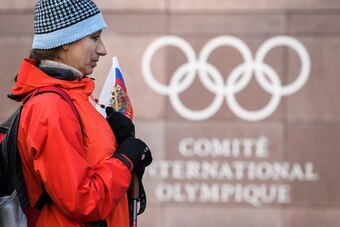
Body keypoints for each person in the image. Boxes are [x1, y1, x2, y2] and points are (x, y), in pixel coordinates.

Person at [9, 0, 152, 226]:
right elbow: (83, 201)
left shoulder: (77, 97)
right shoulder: (50, 107)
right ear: (65, 41)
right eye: (94, 38)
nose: (102, 50)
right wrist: (125, 159)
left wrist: (121, 143)